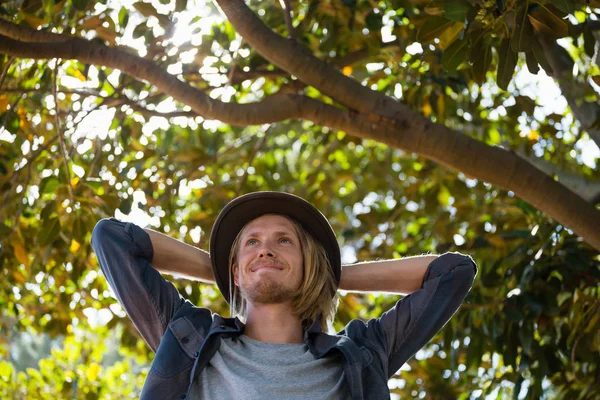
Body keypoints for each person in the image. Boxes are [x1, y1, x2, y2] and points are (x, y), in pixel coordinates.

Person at [91, 191, 477, 400]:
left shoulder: (361, 354)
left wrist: (327, 275)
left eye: (283, 241)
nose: (265, 249)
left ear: (310, 264)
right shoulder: (187, 340)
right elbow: (113, 238)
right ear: (236, 271)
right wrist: (226, 270)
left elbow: (453, 273)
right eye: (252, 244)